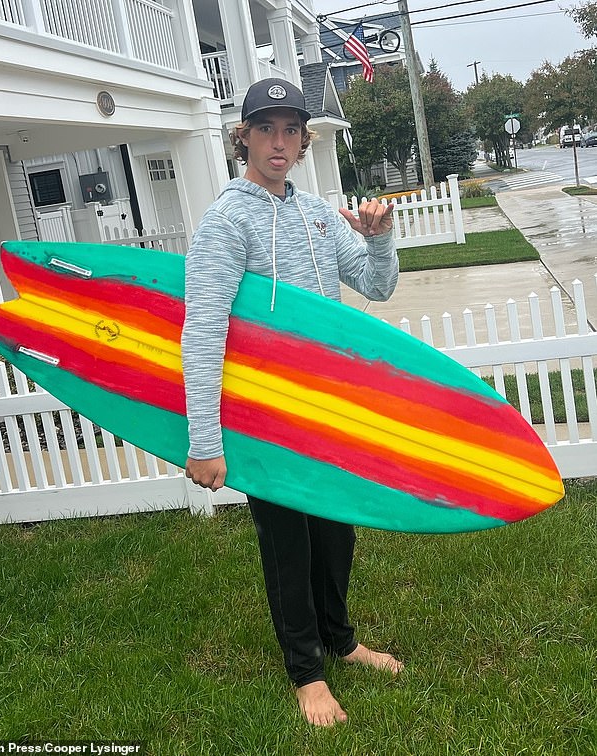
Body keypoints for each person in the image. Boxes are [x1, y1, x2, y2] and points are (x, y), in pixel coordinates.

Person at [181, 77, 403, 727]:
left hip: (325, 406)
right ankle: (307, 674)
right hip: (264, 413)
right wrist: (205, 440)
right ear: (242, 137)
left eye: (290, 131)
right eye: (265, 129)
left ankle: (340, 639)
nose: (279, 143)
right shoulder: (226, 221)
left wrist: (378, 238)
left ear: (304, 141)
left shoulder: (313, 214)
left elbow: (375, 287)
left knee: (335, 530)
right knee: (287, 542)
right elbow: (203, 330)